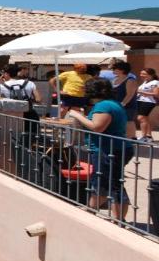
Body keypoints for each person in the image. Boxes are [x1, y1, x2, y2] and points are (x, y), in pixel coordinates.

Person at [67, 79, 134, 221]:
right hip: (112, 148)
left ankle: (119, 220)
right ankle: (90, 210)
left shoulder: (103, 106)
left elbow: (97, 127)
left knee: (113, 183)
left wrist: (77, 115)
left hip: (108, 149)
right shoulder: (112, 104)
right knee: (100, 181)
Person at [110, 61, 138, 137]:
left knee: (129, 121)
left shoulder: (130, 80)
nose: (113, 70)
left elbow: (130, 95)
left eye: (115, 69)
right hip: (116, 105)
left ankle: (132, 138)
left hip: (128, 106)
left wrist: (122, 104)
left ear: (122, 70)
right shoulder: (114, 80)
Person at [136, 68, 159, 141]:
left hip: (148, 102)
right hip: (140, 101)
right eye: (141, 73)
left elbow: (156, 94)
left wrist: (141, 92)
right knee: (145, 118)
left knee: (141, 118)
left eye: (144, 74)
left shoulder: (155, 82)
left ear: (151, 75)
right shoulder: (145, 82)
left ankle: (144, 136)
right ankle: (149, 136)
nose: (141, 75)